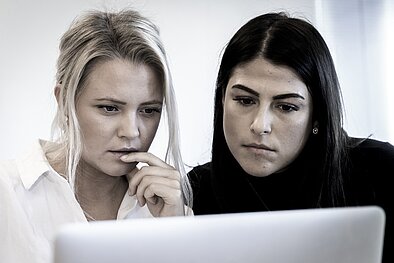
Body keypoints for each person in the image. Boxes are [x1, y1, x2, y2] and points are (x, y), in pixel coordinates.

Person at [188, 12, 394, 262]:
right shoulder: (196, 191)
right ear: (222, 99)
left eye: (286, 107)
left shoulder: (379, 170)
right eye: (244, 100)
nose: (259, 125)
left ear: (317, 115)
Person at [0, 9, 192, 263]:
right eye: (110, 108)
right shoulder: (8, 194)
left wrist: (174, 235)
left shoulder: (170, 209)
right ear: (63, 101)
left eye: (148, 110)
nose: (132, 131)